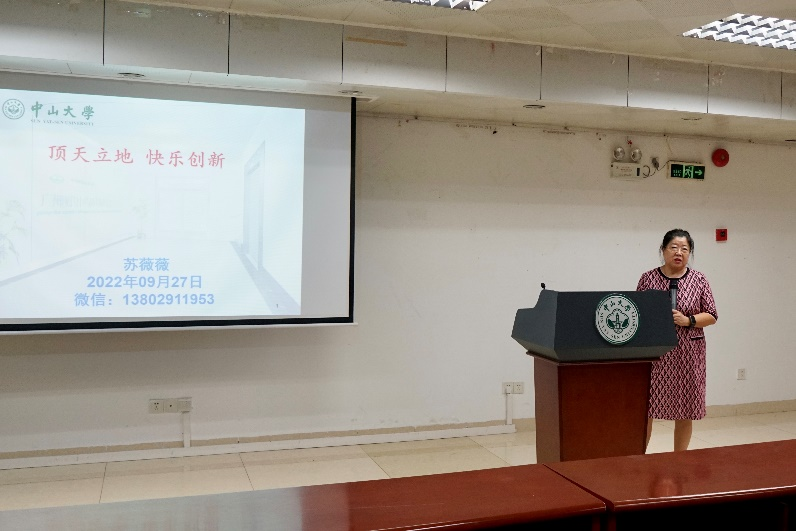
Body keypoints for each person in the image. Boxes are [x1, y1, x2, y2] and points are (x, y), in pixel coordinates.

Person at [637, 229, 718, 451]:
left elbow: (712, 315)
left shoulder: (699, 279)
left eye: (684, 249)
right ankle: (640, 457)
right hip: (657, 354)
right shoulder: (648, 278)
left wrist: (688, 320)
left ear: (690, 253)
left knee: (685, 409)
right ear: (663, 250)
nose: (679, 253)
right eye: (673, 247)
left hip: (689, 353)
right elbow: (638, 313)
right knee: (646, 408)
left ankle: (680, 458)